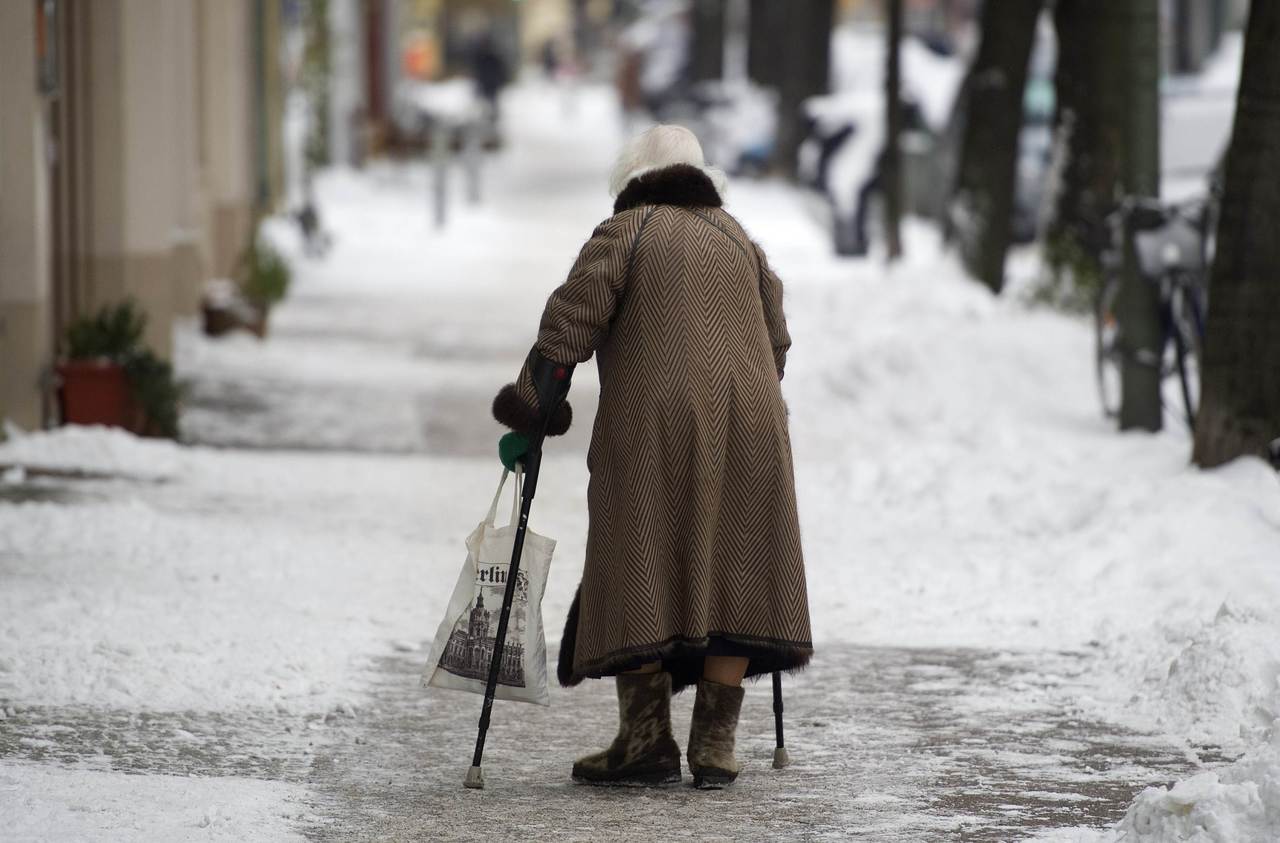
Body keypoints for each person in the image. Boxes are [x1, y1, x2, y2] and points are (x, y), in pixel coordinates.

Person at [491, 125, 812, 789]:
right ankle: (717, 742)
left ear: (632, 181)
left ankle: (646, 739)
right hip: (752, 425)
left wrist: (534, 408)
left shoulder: (627, 232)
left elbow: (566, 330)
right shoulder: (741, 242)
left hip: (655, 429)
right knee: (737, 565)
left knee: (636, 553)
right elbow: (776, 342)